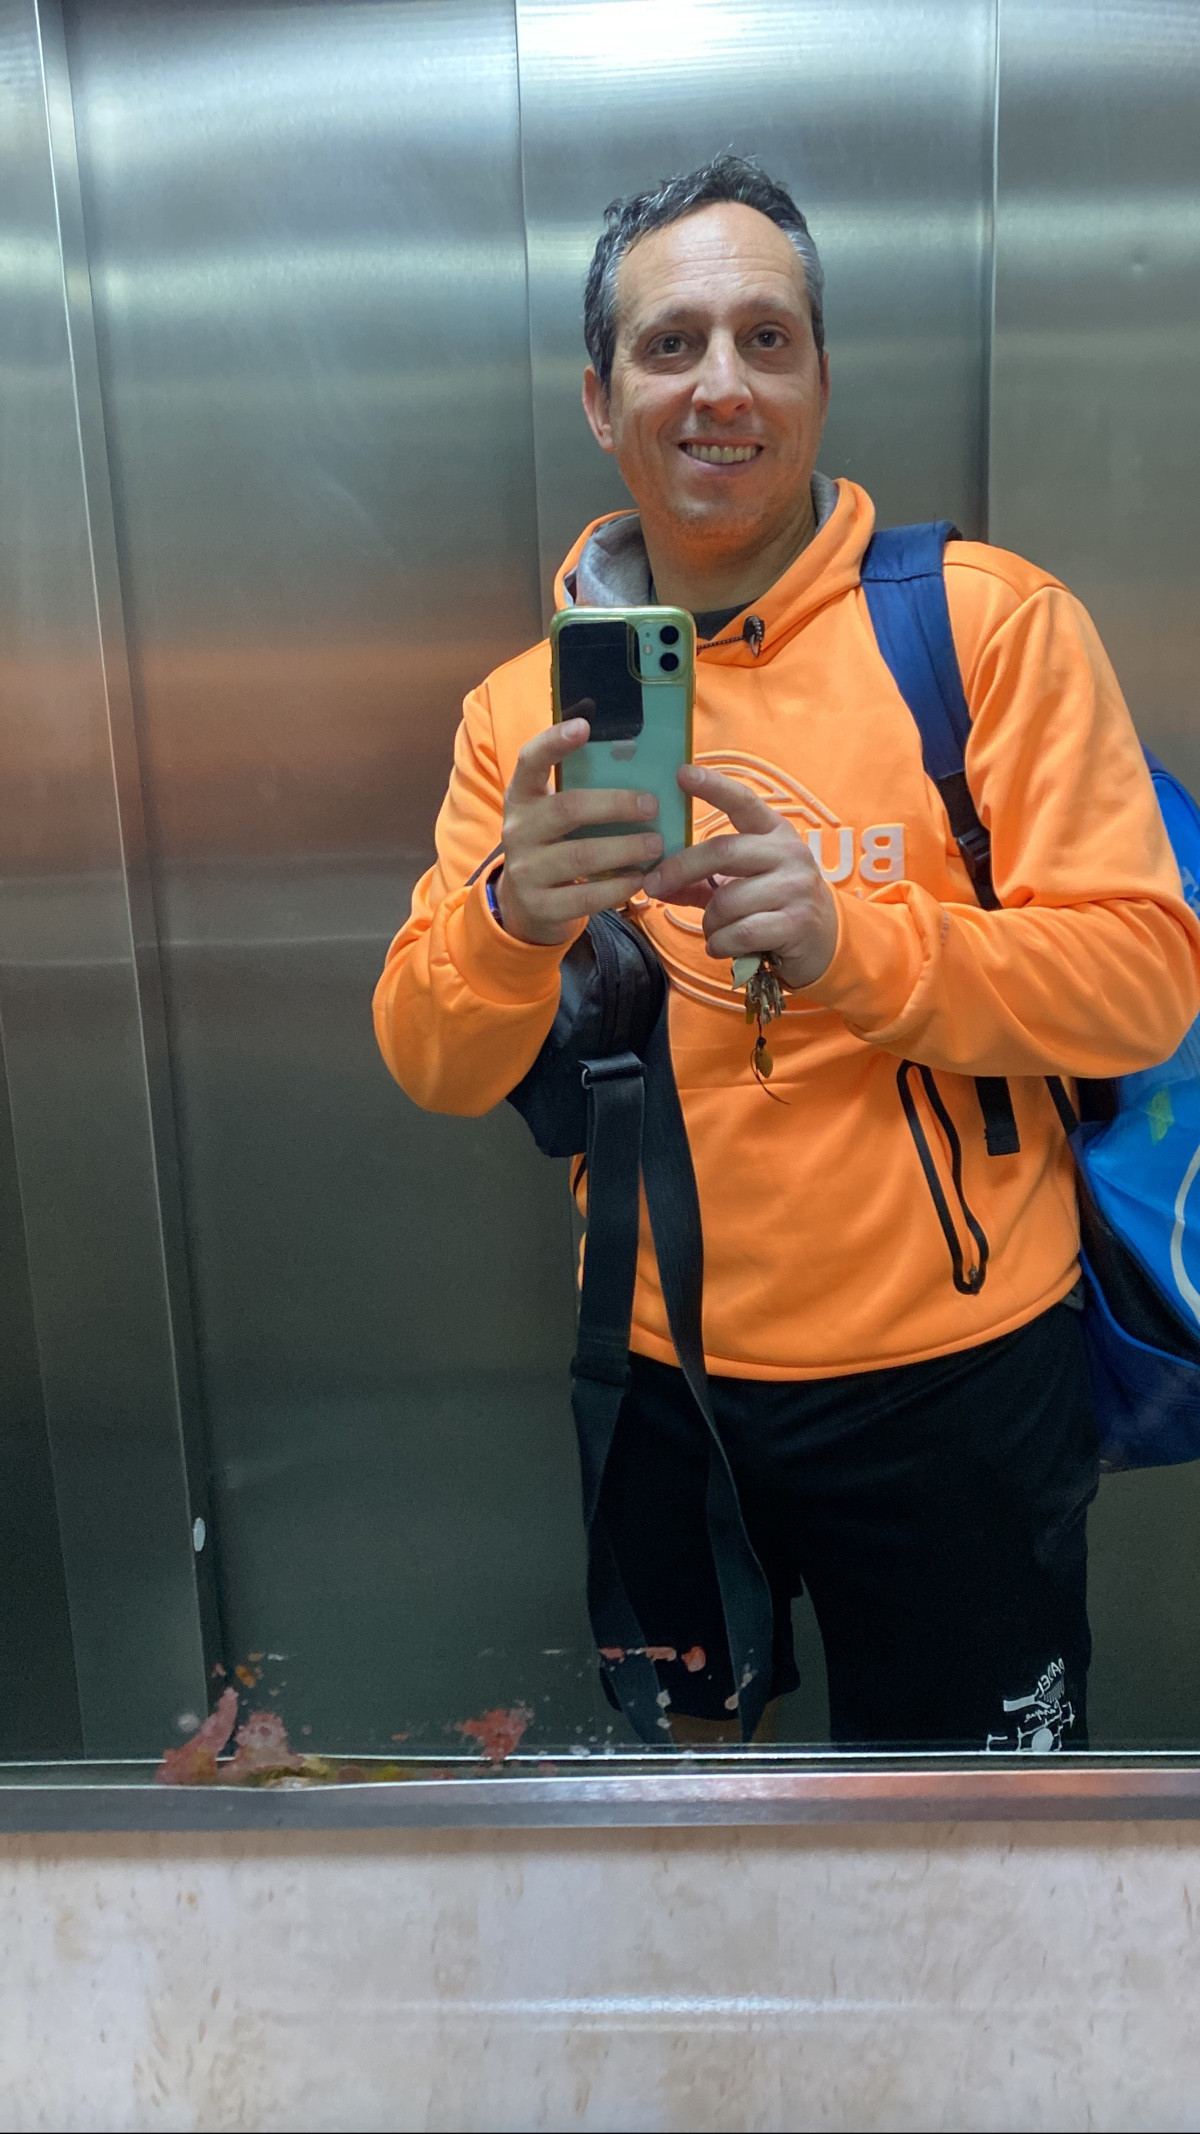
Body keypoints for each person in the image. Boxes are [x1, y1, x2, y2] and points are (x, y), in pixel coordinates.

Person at [374, 154, 1200, 1749]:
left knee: (971, 1834)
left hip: (960, 1381)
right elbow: (430, 1058)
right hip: (658, 1381)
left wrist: (850, 942)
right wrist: (510, 923)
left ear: (821, 379)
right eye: (670, 344)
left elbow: (1143, 981)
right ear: (601, 400)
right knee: (691, 1817)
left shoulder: (985, 627)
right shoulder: (520, 713)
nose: (722, 385)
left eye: (767, 337)